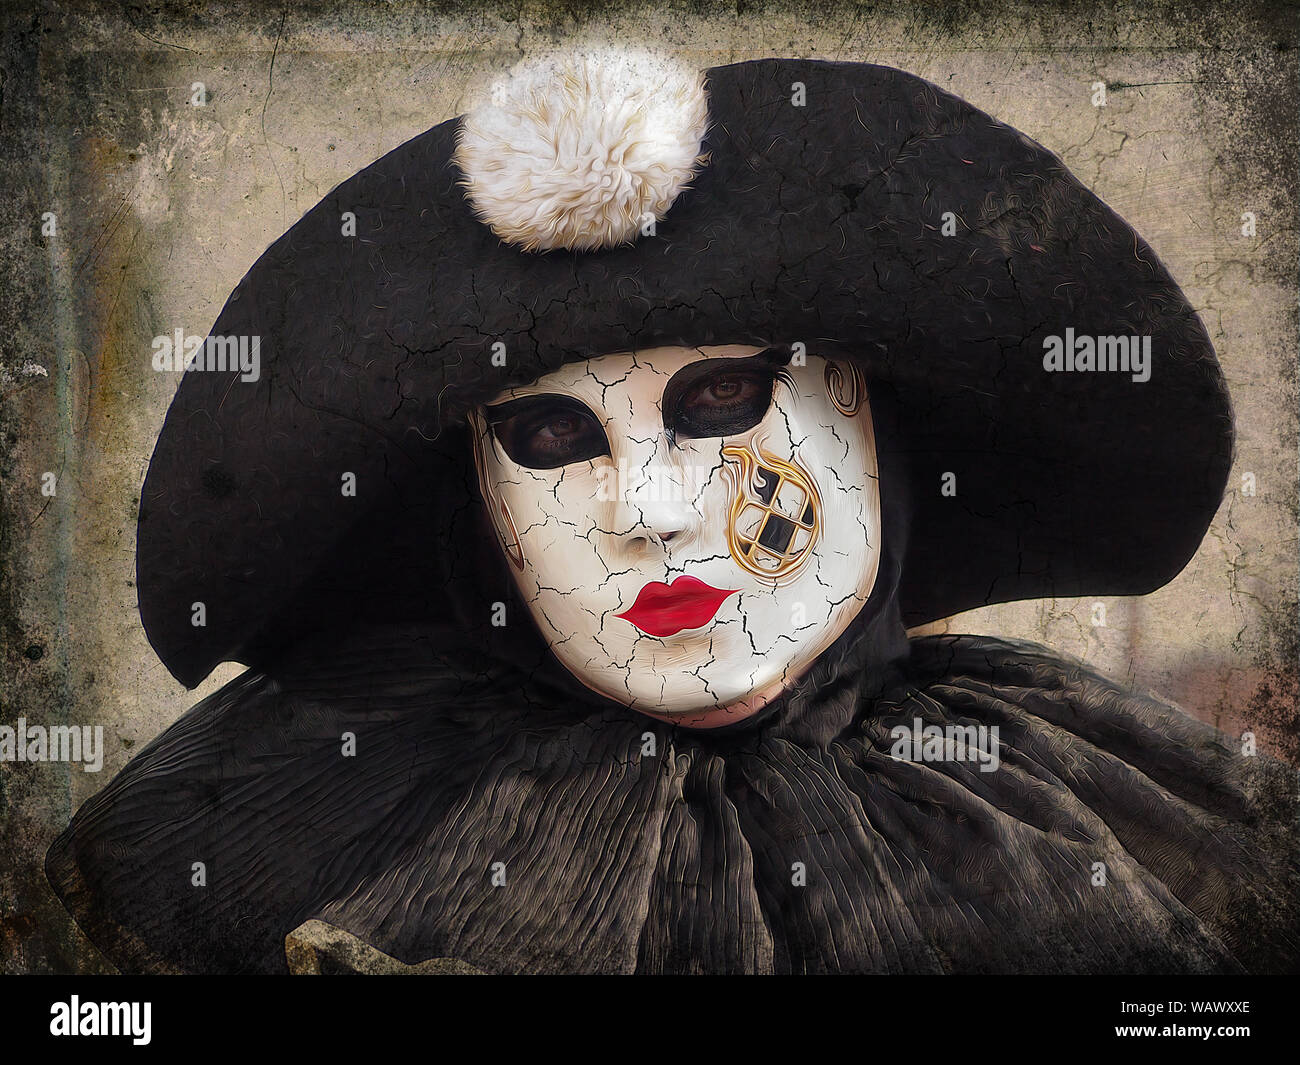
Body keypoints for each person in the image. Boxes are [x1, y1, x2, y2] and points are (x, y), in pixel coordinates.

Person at [48, 53, 1298, 974]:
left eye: (718, 400)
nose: (644, 513)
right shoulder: (311, 809)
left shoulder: (1066, 804)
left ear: (863, 407)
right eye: (548, 439)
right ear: (477, 494)